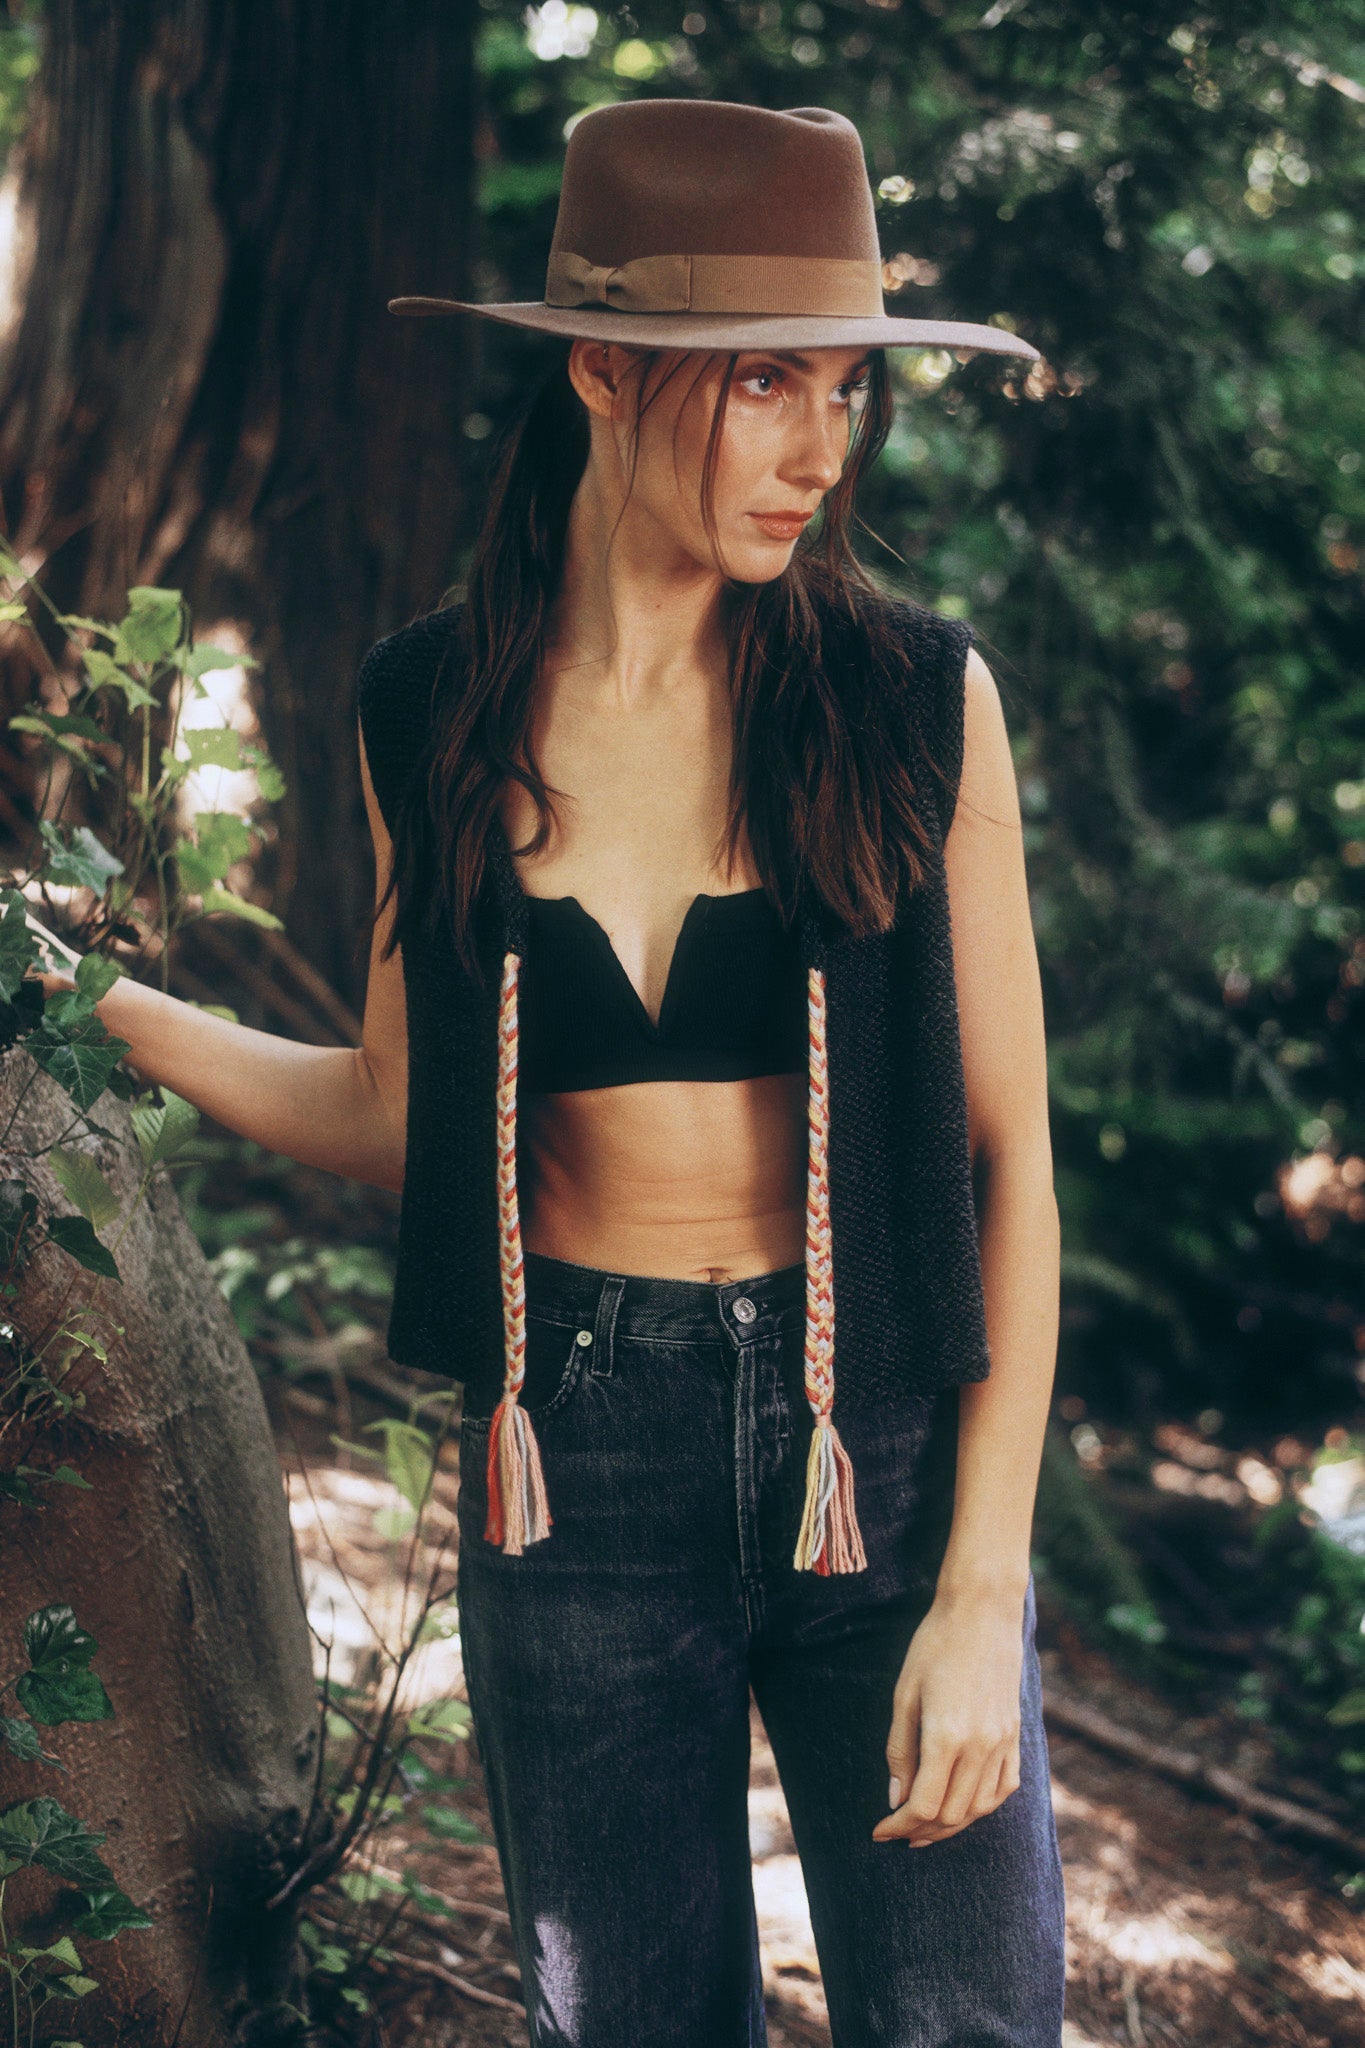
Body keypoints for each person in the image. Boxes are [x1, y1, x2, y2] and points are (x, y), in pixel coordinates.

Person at [50, 99, 1067, 2046]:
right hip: (573, 1463)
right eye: (763, 381)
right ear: (603, 372)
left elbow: (1010, 1162)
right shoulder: (426, 708)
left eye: (844, 388)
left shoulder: (913, 700)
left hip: (883, 1460)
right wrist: (96, 1011)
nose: (818, 445)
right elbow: (399, 1111)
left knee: (964, 2024)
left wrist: (980, 1591)